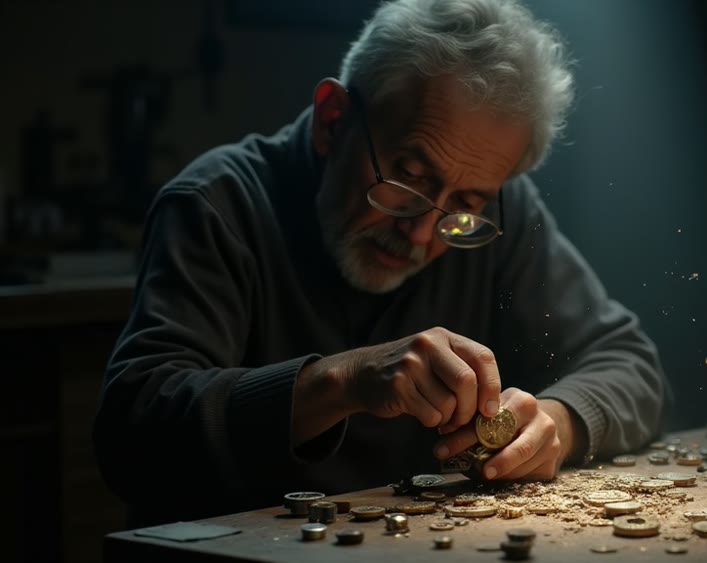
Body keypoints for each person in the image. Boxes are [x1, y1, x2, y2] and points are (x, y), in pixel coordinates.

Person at [93, 0, 671, 526]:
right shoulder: (216, 205)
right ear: (333, 120)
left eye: (465, 204)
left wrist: (560, 421)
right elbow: (133, 435)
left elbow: (630, 364)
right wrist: (342, 380)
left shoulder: (495, 210)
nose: (421, 232)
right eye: (407, 179)